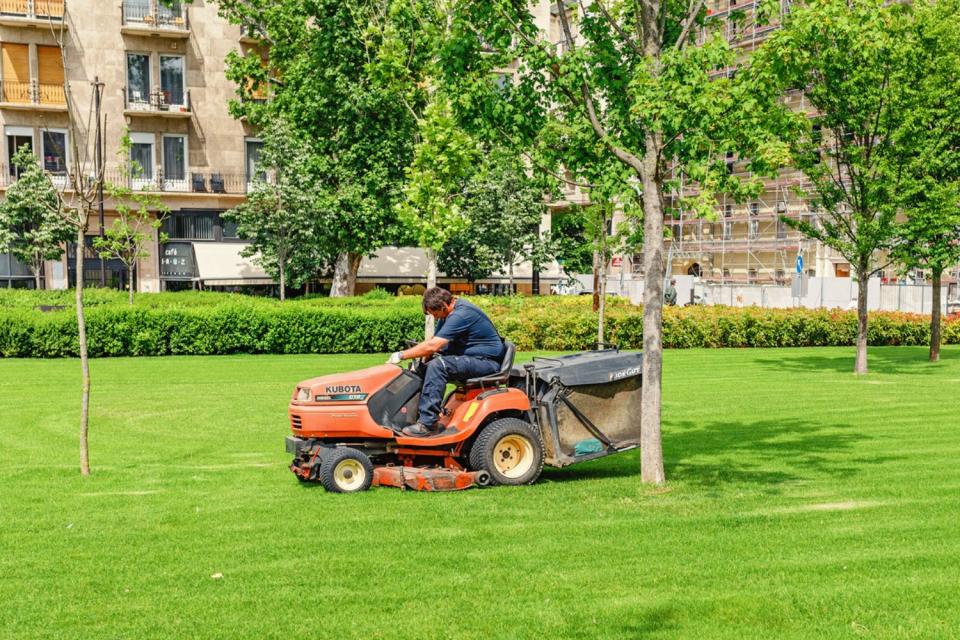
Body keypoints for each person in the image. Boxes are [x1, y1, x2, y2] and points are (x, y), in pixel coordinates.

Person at [386, 287, 504, 437]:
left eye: (434, 313)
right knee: (425, 366)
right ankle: (409, 415)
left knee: (438, 366)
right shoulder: (446, 315)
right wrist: (421, 365)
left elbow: (433, 346)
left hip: (487, 362)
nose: (434, 317)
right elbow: (433, 344)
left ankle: (428, 425)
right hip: (472, 358)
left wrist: (401, 355)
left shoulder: (462, 314)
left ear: (444, 306)